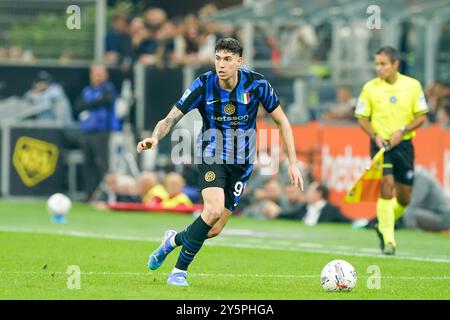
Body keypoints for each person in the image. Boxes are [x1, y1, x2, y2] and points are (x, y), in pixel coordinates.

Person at [137, 38, 304, 286]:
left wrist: (292, 162)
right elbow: (170, 118)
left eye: (227, 59)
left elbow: (283, 122)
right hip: (211, 154)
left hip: (242, 163)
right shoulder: (203, 84)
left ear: (239, 61)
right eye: (217, 58)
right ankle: (179, 272)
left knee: (213, 228)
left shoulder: (257, 84)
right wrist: (154, 136)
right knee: (212, 210)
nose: (221, 64)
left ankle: (171, 241)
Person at [354, 46, 429, 255]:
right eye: (377, 64)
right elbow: (361, 118)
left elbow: (421, 116)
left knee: (404, 197)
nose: (379, 68)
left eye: (383, 64)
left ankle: (382, 223)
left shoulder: (412, 86)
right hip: (381, 144)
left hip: (404, 145)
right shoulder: (370, 88)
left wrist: (403, 130)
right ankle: (389, 241)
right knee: (386, 186)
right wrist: (374, 135)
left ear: (395, 64)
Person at [75, 64, 122, 201]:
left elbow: (105, 100)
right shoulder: (87, 91)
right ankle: (89, 194)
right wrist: (94, 102)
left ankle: (106, 195)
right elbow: (78, 105)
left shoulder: (108, 89)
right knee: (88, 164)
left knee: (103, 164)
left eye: (100, 74)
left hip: (102, 132)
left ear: (106, 75)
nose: (97, 77)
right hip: (87, 132)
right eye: (95, 74)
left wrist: (90, 103)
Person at [266, 182, 349, 225]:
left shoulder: (331, 210)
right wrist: (277, 214)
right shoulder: (305, 207)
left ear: (318, 194)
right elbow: (292, 215)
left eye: (310, 191)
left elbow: (345, 220)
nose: (307, 193)